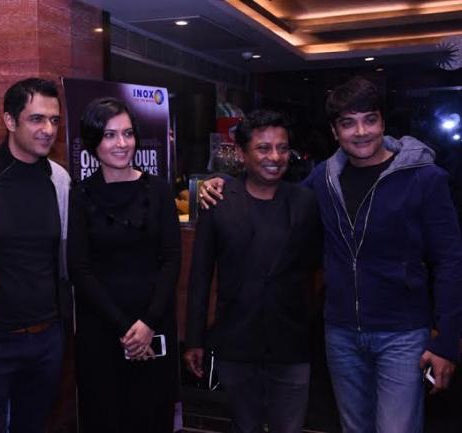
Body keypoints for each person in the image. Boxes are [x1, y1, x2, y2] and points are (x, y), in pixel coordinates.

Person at [199, 76, 462, 433]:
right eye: (348, 123)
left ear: (383, 122)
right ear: (335, 132)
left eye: (370, 120)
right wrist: (223, 184)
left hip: (402, 332)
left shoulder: (424, 178)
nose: (361, 132)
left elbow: (450, 261)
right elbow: (272, 192)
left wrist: (447, 340)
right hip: (341, 333)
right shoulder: (325, 178)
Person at [184, 109, 322, 433]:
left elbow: (316, 269)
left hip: (292, 345)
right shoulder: (217, 201)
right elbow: (200, 276)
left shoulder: (305, 201)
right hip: (236, 342)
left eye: (282, 148)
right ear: (242, 153)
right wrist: (194, 339)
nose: (275, 157)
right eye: (263, 148)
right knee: (243, 426)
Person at [0, 78, 70, 433]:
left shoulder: (59, 179)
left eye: (54, 120)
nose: (48, 129)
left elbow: (63, 259)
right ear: (9, 120)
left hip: (47, 337)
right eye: (36, 119)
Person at [67, 97, 181, 433]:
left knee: (151, 417)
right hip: (101, 331)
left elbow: (171, 259)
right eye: (110, 135)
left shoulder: (159, 191)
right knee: (105, 418)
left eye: (128, 134)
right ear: (93, 142)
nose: (122, 143)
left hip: (154, 325)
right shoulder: (79, 194)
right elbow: (79, 268)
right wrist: (124, 327)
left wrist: (147, 324)